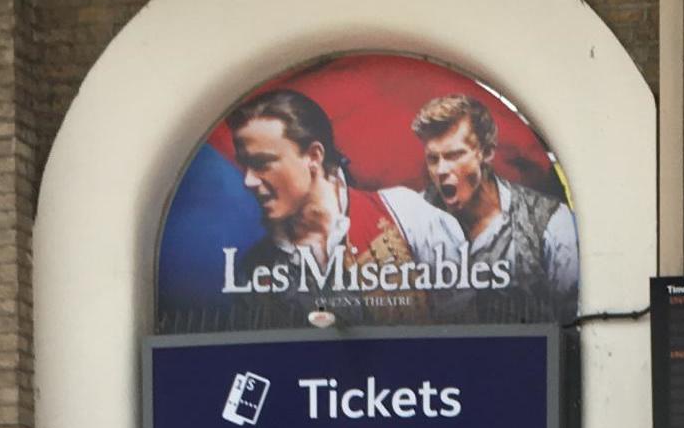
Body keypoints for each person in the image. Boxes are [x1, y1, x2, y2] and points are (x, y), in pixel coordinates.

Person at [225, 89, 466, 310]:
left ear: (313, 156)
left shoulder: (408, 216)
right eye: (245, 166)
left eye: (261, 164)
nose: (248, 181)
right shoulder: (252, 274)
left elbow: (470, 326)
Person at [409, 92, 578, 317]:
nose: (441, 170)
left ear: (486, 152)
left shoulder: (550, 223)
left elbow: (577, 322)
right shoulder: (411, 219)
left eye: (454, 155)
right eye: (433, 159)